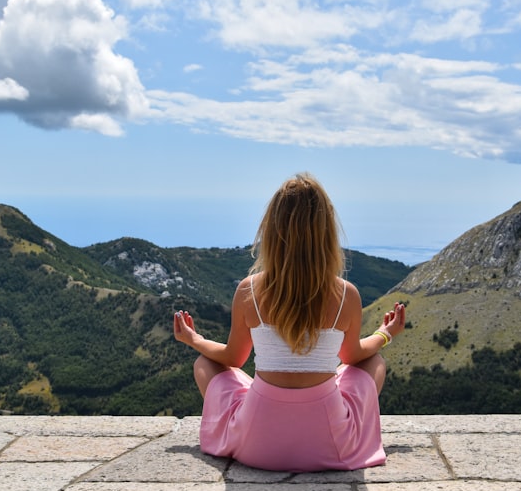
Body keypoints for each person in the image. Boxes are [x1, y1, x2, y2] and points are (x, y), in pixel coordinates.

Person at [172, 173, 406, 472]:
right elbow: (353, 357)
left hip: (256, 445)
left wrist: (194, 340)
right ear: (326, 233)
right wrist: (385, 333)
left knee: (204, 364)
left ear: (271, 230)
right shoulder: (346, 294)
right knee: (373, 364)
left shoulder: (249, 290)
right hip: (330, 445)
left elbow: (232, 359)